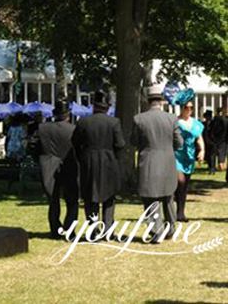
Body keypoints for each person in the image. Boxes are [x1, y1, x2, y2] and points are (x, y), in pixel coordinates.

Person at [131, 85, 183, 243]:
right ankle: (171, 229)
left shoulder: (139, 119)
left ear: (148, 101)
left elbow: (133, 141)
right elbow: (179, 143)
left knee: (150, 199)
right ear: (161, 101)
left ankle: (156, 231)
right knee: (168, 198)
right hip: (167, 161)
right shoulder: (172, 118)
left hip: (148, 162)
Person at [72, 91, 125, 231]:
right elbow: (120, 144)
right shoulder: (114, 122)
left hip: (88, 161)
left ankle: (94, 229)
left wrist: (82, 157)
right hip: (109, 161)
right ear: (107, 107)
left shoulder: (83, 122)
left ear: (94, 106)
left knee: (90, 196)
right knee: (109, 197)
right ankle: (108, 228)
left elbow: (75, 143)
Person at [36, 99, 79, 238]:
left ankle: (55, 229)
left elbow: (37, 148)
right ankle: (70, 228)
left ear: (54, 114)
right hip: (69, 165)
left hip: (48, 165)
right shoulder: (73, 129)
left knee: (53, 201)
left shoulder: (43, 128)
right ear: (68, 115)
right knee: (72, 200)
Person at [172, 88, 204, 222]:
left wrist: (202, 151)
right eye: (187, 107)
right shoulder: (175, 122)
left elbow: (199, 138)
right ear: (182, 108)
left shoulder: (196, 124)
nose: (189, 110)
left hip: (189, 157)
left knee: (184, 187)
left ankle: (181, 213)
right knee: (180, 182)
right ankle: (172, 211)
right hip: (176, 156)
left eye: (191, 108)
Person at [209, 107, 228, 174]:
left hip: (214, 139)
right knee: (222, 153)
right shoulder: (225, 120)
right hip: (223, 140)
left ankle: (212, 169)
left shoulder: (214, 120)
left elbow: (211, 129)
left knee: (212, 154)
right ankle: (221, 164)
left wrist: (211, 137)